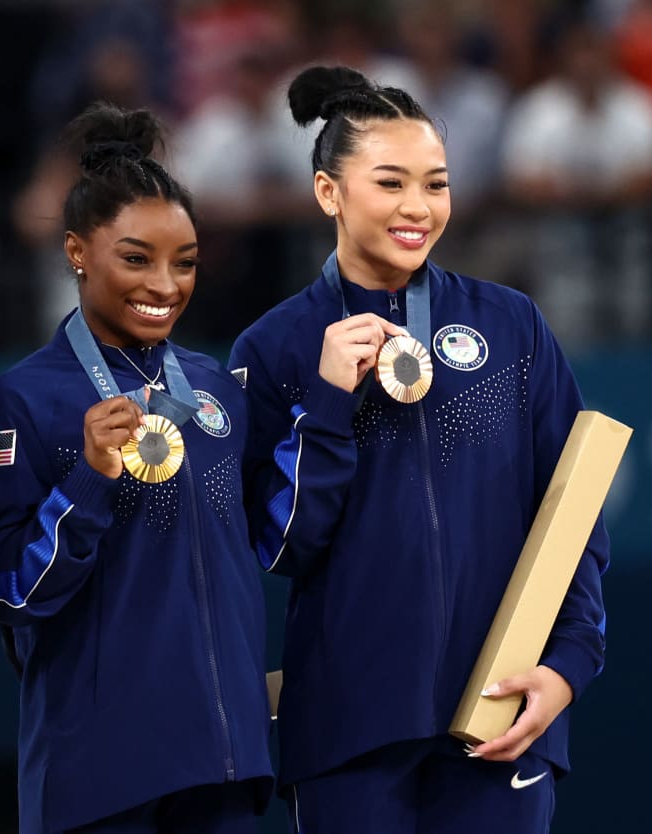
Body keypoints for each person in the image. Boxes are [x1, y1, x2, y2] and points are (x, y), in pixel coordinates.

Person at [229, 66, 609, 833]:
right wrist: (329, 401)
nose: (418, 208)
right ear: (328, 192)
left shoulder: (511, 325)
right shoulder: (275, 348)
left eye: (435, 184)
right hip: (350, 727)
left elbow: (573, 515)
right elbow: (279, 545)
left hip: (499, 717)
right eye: (390, 182)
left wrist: (567, 666)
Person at [0, 102, 273, 834]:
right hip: (102, 770)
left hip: (223, 762)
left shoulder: (216, 391)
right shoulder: (26, 400)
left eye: (186, 262)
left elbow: (271, 543)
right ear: (77, 251)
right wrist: (90, 478)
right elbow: (3, 588)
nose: (164, 284)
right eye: (136, 258)